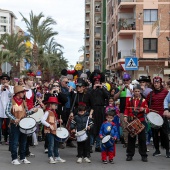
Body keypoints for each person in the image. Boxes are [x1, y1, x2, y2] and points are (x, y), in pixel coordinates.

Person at [5, 85, 37, 165]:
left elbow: (26, 113)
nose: (24, 94)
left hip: (24, 124)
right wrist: (14, 118)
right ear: (18, 93)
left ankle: (23, 157)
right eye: (23, 92)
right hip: (14, 125)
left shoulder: (23, 102)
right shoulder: (11, 101)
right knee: (14, 142)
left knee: (23, 142)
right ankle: (14, 158)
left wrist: (33, 111)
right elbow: (7, 112)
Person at [146, 76, 170, 158]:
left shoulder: (166, 92)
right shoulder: (151, 94)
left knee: (165, 134)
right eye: (155, 83)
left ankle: (167, 150)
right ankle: (157, 150)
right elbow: (146, 104)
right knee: (154, 134)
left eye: (157, 82)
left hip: (163, 116)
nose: (156, 84)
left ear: (160, 83)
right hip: (154, 118)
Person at [124, 84, 149, 162]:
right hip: (132, 120)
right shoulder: (129, 100)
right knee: (131, 138)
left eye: (138, 91)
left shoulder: (144, 100)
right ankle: (129, 155)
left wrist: (143, 109)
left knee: (142, 139)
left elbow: (147, 110)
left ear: (140, 91)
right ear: (133, 91)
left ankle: (144, 155)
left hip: (140, 121)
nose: (137, 92)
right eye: (135, 91)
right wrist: (125, 116)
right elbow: (126, 109)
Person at [41, 97, 66, 164]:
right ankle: (50, 157)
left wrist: (58, 121)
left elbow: (54, 122)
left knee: (56, 144)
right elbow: (42, 120)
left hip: (54, 130)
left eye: (56, 105)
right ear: (50, 105)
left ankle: (57, 157)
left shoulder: (54, 112)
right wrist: (49, 125)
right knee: (51, 144)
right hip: (49, 131)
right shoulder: (47, 112)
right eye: (55, 104)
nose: (56, 106)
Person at [89, 70, 109, 152]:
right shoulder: (90, 89)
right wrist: (93, 89)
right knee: (92, 127)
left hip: (101, 109)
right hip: (93, 110)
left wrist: (102, 88)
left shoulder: (103, 88)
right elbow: (88, 98)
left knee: (100, 127)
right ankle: (90, 145)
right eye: (95, 80)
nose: (97, 81)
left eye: (98, 80)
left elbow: (107, 96)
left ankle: (98, 145)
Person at [114, 73, 133, 147]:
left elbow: (137, 96)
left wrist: (129, 89)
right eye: (124, 80)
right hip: (122, 110)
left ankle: (133, 142)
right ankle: (126, 142)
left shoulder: (133, 87)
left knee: (131, 126)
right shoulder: (119, 87)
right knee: (124, 127)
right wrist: (120, 90)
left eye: (127, 80)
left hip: (131, 110)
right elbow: (115, 98)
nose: (126, 82)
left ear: (130, 80)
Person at [0, 73, 14, 144]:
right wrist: (1, 90)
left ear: (8, 81)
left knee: (9, 126)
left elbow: (13, 96)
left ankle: (9, 139)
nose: (5, 81)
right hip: (0, 110)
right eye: (3, 79)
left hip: (9, 110)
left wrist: (9, 89)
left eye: (6, 79)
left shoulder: (11, 87)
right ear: (1, 80)